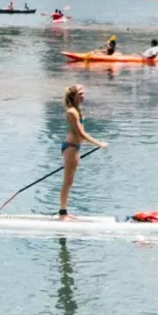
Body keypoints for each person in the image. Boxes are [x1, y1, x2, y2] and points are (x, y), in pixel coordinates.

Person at [58, 84, 107, 219]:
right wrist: (99, 144)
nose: (83, 95)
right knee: (67, 182)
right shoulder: (71, 112)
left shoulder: (77, 110)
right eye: (80, 93)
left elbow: (79, 134)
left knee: (70, 182)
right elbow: (81, 133)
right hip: (70, 147)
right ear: (73, 95)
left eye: (83, 93)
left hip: (74, 147)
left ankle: (64, 212)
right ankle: (62, 214)